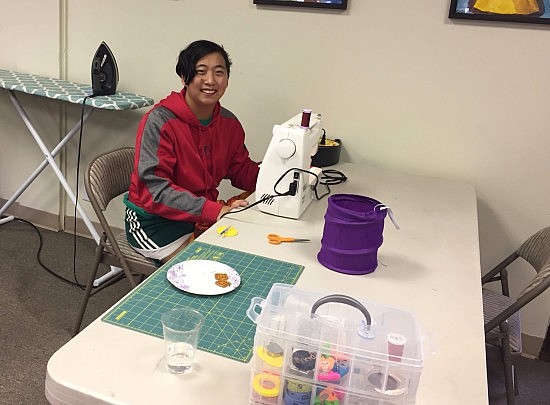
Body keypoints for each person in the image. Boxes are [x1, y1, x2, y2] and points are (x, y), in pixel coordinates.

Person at [124, 40, 260, 263]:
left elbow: (241, 170)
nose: (210, 80)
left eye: (219, 72)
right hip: (152, 223)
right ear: (184, 77)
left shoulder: (228, 123)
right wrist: (213, 211)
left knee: (246, 253)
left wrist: (279, 175)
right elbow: (155, 190)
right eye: (200, 72)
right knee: (204, 270)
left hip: (199, 215)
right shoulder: (160, 121)